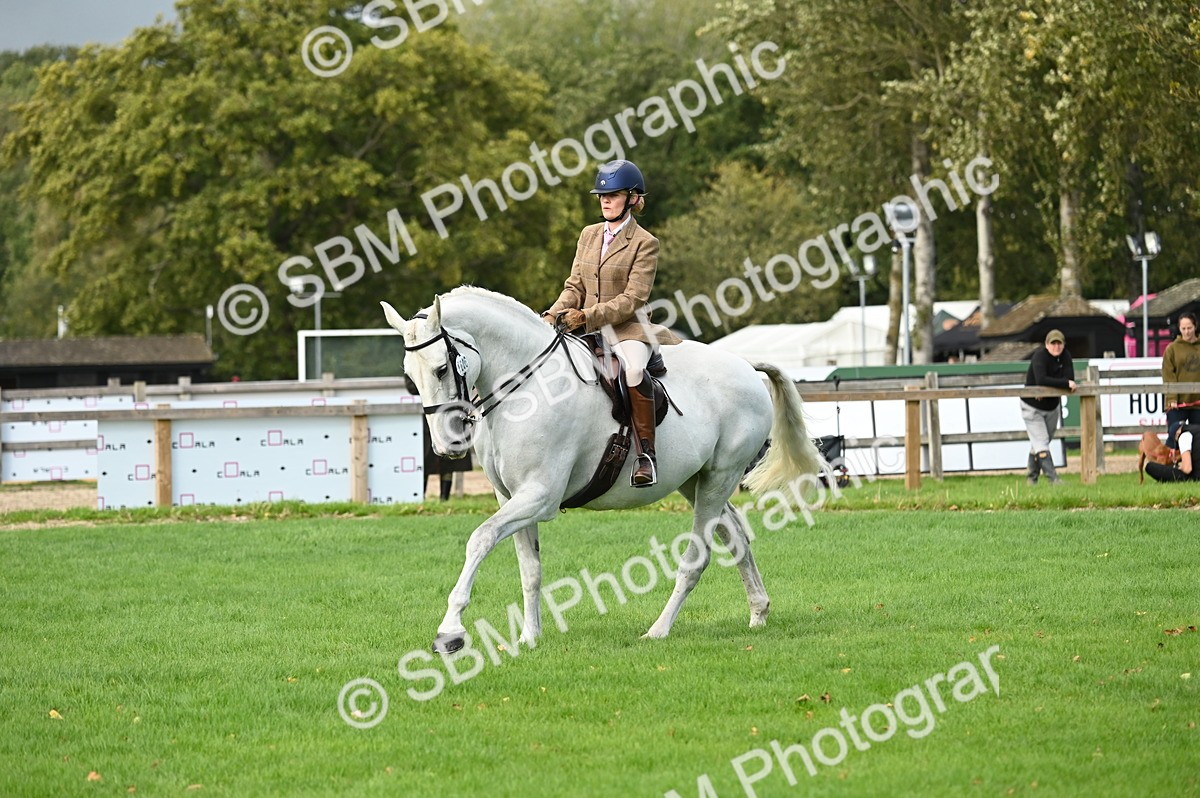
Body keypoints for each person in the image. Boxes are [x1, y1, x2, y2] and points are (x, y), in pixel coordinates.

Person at [542, 159, 680, 487]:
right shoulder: (588, 235)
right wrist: (550, 315)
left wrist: (587, 316)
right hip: (584, 326)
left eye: (613, 195)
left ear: (632, 198)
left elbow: (633, 299)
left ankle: (647, 455)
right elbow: (574, 286)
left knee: (632, 369)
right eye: (602, 196)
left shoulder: (645, 243)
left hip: (628, 328)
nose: (605, 200)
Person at [1020, 329, 1076, 485]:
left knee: (1040, 443)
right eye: (1053, 343)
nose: (1056, 347)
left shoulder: (1066, 357)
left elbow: (1070, 378)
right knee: (1042, 441)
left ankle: (1031, 478)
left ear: (1064, 345)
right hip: (1031, 406)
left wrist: (1051, 386)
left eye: (1059, 343)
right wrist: (1063, 383)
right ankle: (1054, 479)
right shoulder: (1039, 356)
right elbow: (1042, 379)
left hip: (1052, 407)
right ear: (1046, 344)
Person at [1161, 311, 1200, 450]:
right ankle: (1172, 468)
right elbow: (1168, 373)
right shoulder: (1172, 349)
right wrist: (1172, 397)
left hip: (1197, 402)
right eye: (1183, 328)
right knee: (1175, 434)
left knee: (1198, 439)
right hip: (1177, 403)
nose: (1187, 332)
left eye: (1189, 328)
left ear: (1195, 327)